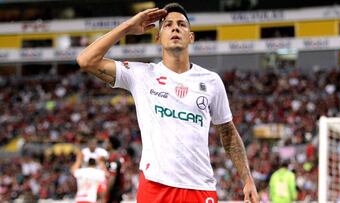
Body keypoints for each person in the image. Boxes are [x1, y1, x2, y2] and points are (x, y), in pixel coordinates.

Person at [77, 2, 259, 202]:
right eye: (168, 25)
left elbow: (229, 134)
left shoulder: (211, 81)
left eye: (182, 24)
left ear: (191, 37)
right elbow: (86, 60)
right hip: (155, 186)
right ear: (158, 37)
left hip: (199, 187)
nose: (175, 28)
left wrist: (247, 179)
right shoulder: (142, 74)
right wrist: (128, 26)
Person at [104, 136, 125, 203]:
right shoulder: (116, 157)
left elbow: (112, 178)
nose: (104, 144)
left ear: (111, 144)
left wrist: (105, 195)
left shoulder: (114, 159)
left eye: (106, 142)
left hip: (113, 193)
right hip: (115, 192)